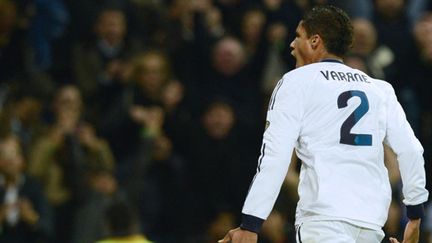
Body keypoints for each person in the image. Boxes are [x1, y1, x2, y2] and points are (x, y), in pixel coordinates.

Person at [219, 5, 428, 243]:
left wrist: (250, 223)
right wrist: (414, 216)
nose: (291, 44)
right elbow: (411, 151)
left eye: (298, 36)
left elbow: (274, 157)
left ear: (315, 41)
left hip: (322, 221)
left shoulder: (295, 82)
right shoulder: (379, 89)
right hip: (371, 224)